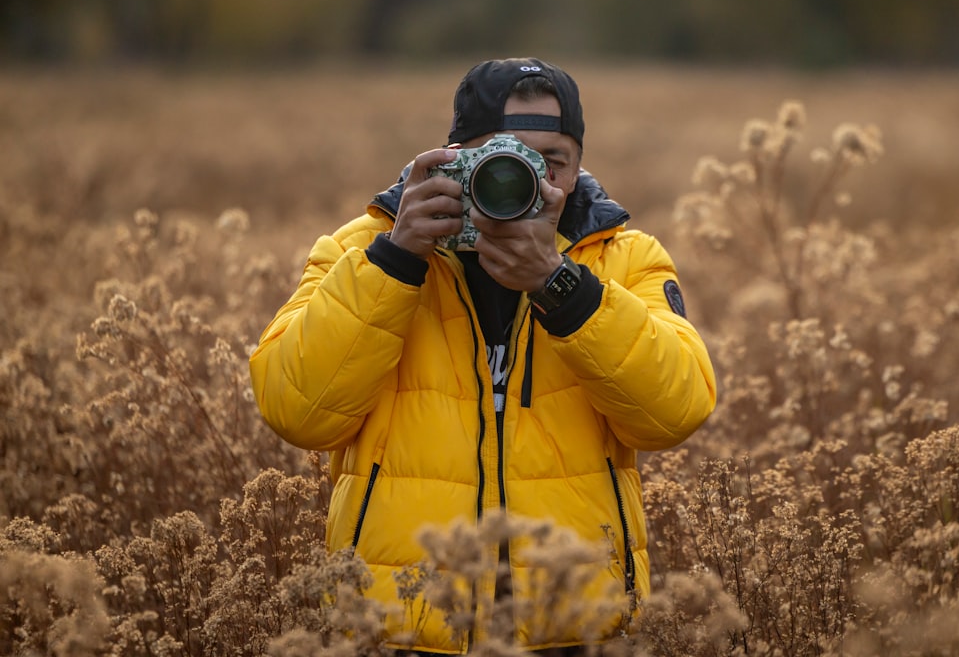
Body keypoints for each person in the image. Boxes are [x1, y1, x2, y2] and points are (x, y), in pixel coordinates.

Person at [249, 57, 717, 655]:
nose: (524, 180)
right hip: (401, 628)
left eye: (551, 162)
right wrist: (396, 261)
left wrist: (562, 286)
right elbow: (296, 410)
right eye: (502, 158)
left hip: (571, 628)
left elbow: (677, 410)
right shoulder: (361, 250)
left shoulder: (622, 260)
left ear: (578, 169)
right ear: (453, 160)